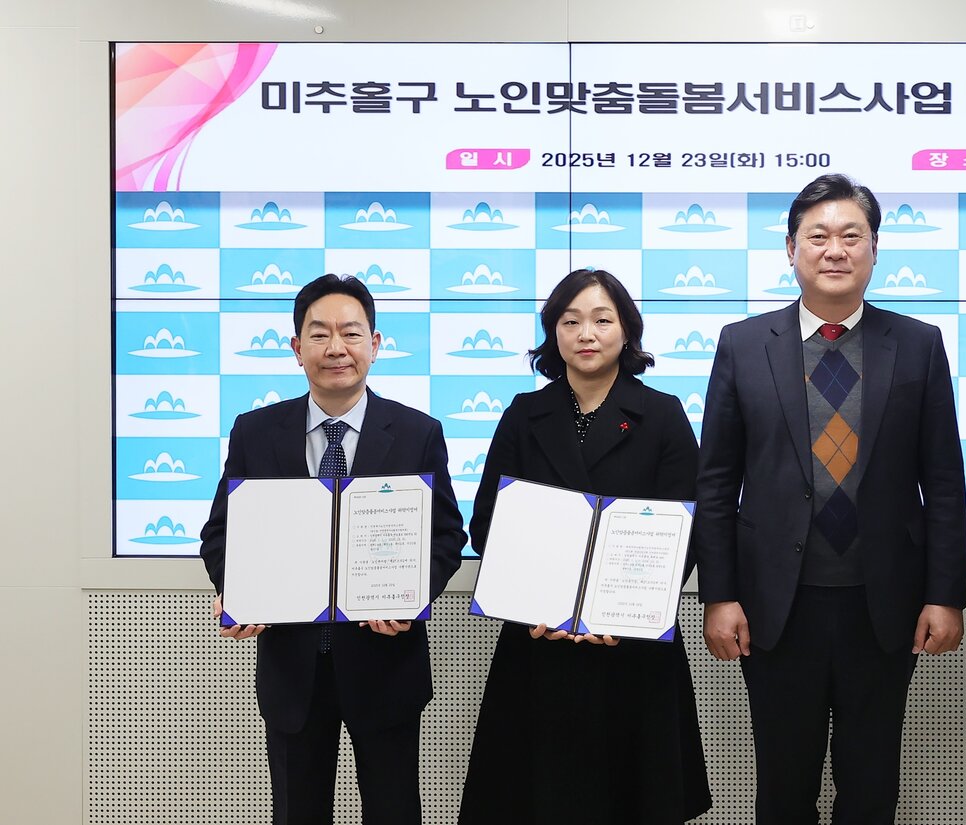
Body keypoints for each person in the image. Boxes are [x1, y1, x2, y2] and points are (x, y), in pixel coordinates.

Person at [693, 173, 966, 824]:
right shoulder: (742, 344)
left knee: (871, 787)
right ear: (791, 249)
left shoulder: (918, 344)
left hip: (884, 602)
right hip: (775, 605)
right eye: (818, 236)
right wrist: (718, 594)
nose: (835, 249)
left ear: (875, 249)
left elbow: (944, 480)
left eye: (852, 235)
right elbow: (716, 482)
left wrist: (946, 594)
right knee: (783, 788)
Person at [199, 273, 467, 825]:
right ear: (297, 348)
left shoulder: (417, 433)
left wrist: (411, 596)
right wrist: (238, 590)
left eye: (351, 332)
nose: (336, 348)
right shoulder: (255, 432)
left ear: (375, 343)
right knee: (298, 813)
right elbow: (221, 534)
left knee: (394, 812)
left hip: (386, 663)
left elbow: (446, 536)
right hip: (292, 668)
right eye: (319, 334)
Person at [457, 269, 711, 824]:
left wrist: (622, 610)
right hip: (538, 641)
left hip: (632, 645)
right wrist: (532, 601)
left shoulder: (663, 415)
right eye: (570, 322)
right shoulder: (524, 414)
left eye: (602, 319)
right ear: (554, 333)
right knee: (537, 801)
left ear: (627, 330)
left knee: (632, 800)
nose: (586, 334)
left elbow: (688, 530)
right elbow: (488, 525)